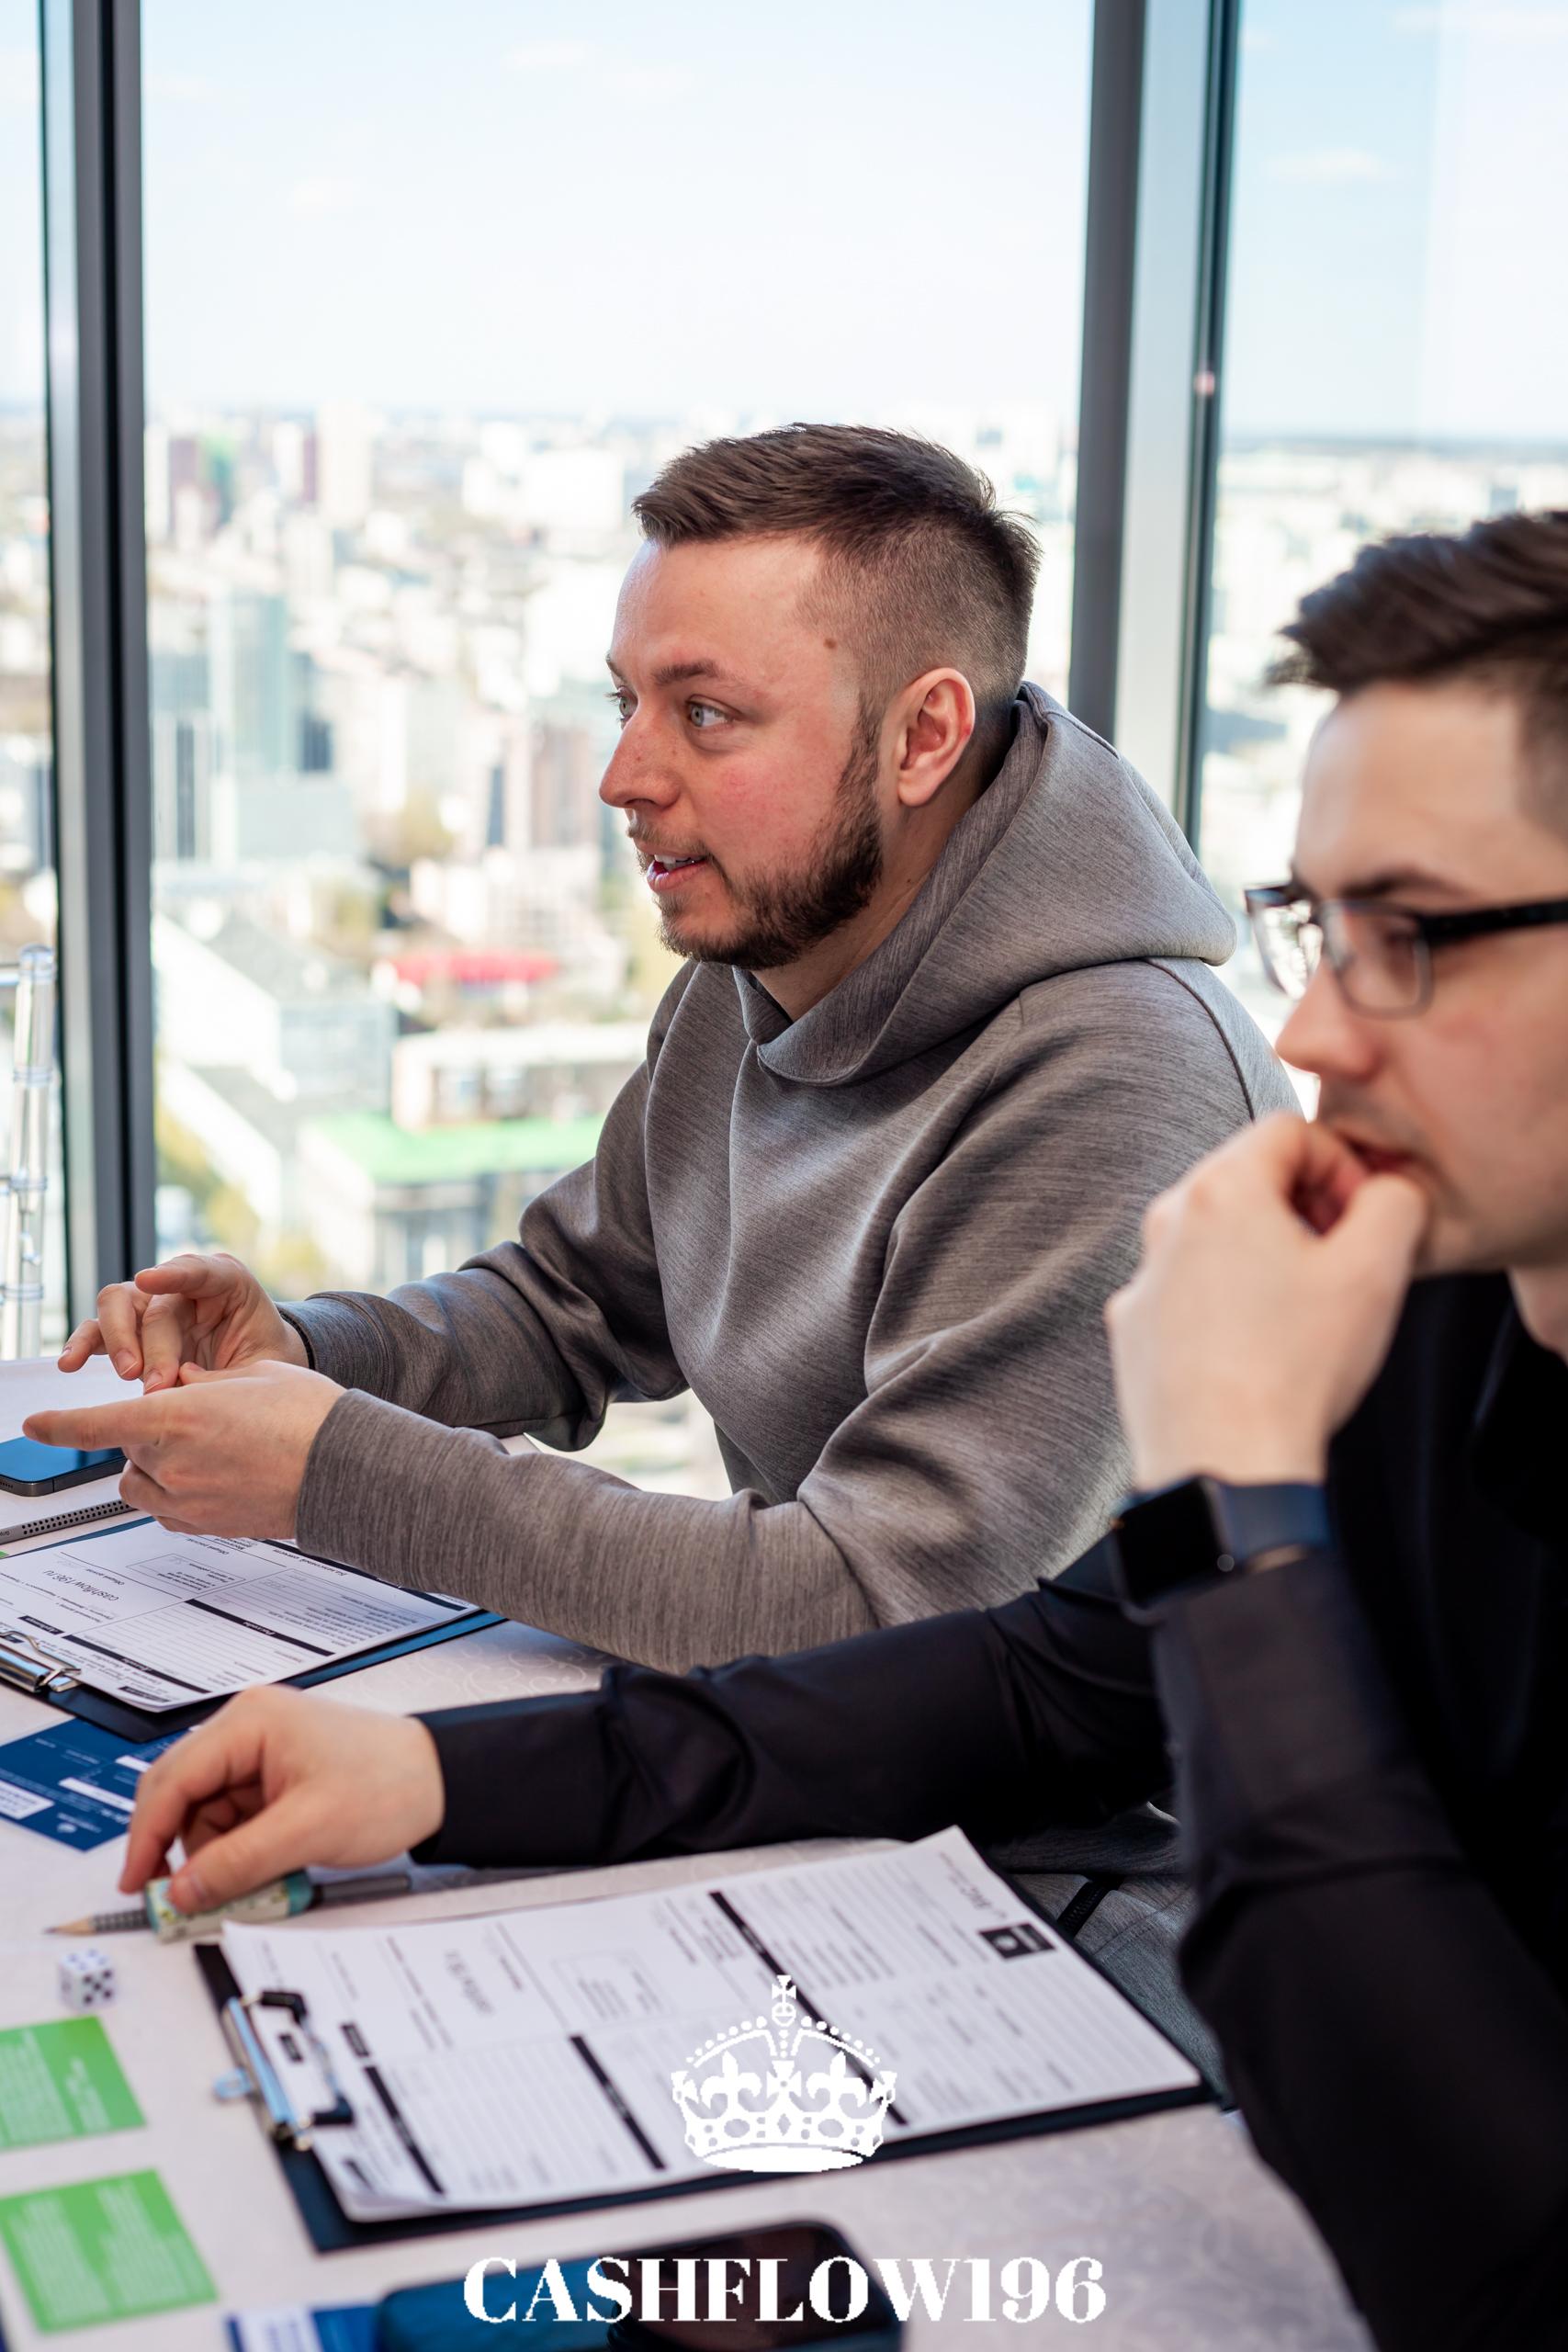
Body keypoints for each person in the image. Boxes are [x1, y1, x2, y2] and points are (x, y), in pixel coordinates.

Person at [114, 509, 1568, 2349]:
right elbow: (1032, 1674)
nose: (1314, 1038)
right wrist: (443, 1777)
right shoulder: (1437, 1308)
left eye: (1409, 935)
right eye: (1321, 929)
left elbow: (1485, 2254)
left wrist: (1239, 1490)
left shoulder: (1157, 1104)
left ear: (922, 732)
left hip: (1147, 1953)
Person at [33, 424, 1287, 1670]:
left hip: (1055, 1797)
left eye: (706, 713)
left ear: (923, 738)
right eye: (626, 703)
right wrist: (309, 1353)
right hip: (818, 1749)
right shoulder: (761, 958)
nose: (625, 776)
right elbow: (576, 1302)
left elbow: (885, 1608)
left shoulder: (1118, 1082)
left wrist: (340, 1472)